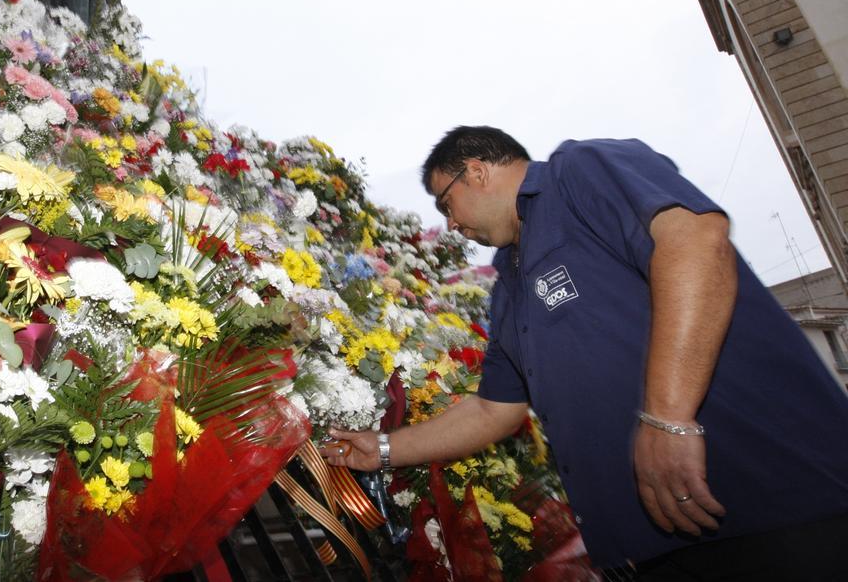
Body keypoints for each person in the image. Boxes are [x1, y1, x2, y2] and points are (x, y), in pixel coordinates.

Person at [320, 126, 848, 579]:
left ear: (476, 171)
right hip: (656, 550)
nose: (451, 224)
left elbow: (694, 240)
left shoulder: (578, 172)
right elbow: (494, 411)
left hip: (775, 512)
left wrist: (668, 418)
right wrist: (384, 449)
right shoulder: (507, 286)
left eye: (446, 203)